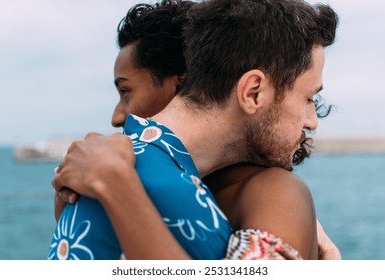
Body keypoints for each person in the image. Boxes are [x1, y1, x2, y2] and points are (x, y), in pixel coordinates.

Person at [51, 0, 340, 260]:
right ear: (253, 92)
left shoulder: (115, 168)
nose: (311, 121)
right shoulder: (116, 174)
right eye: (308, 98)